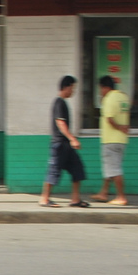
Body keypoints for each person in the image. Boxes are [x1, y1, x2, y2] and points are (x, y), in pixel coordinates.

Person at [39, 75, 88, 208]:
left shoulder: (63, 102)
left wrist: (70, 140)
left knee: (77, 169)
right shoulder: (59, 102)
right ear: (66, 87)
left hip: (66, 145)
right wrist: (73, 139)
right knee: (54, 171)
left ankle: (75, 200)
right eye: (72, 88)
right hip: (59, 144)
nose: (73, 91)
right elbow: (60, 123)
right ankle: (44, 199)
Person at [91, 75, 130, 205]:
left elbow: (109, 118)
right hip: (122, 140)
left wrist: (118, 127)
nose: (100, 92)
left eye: (101, 89)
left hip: (110, 139)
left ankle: (121, 196)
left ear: (105, 87)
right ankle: (104, 193)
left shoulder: (109, 98)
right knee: (110, 168)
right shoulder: (123, 97)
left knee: (114, 169)